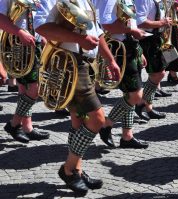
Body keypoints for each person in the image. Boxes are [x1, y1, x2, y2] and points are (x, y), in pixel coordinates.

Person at [36, 0, 120, 195]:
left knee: (78, 120)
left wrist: (110, 60)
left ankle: (77, 171)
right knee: (97, 119)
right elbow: (42, 27)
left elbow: (97, 33)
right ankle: (68, 168)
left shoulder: (88, 1)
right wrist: (78, 39)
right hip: (68, 64)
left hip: (85, 64)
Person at [97, 0, 149, 149]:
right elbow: (106, 23)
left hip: (130, 46)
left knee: (130, 94)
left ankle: (127, 136)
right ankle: (107, 124)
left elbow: (129, 20)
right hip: (120, 49)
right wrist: (133, 32)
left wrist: (139, 50)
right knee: (135, 95)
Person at [0, 0, 49, 143]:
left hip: (35, 41)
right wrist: (19, 31)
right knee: (35, 89)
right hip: (18, 41)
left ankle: (27, 127)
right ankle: (14, 124)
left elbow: (37, 15)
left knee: (24, 88)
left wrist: (43, 36)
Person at [134, 0, 172, 121]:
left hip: (156, 37)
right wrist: (161, 22)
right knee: (157, 73)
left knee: (157, 73)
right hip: (146, 39)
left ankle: (147, 107)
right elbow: (139, 22)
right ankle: (141, 103)